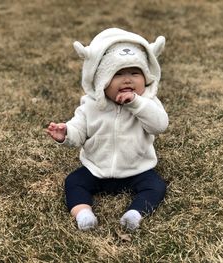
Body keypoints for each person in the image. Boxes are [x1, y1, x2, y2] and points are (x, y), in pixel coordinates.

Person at [46, 28, 169, 230]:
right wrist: (66, 133)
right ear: (101, 80)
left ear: (145, 78)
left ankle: (135, 213)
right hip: (97, 169)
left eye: (135, 73)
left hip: (137, 169)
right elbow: (79, 130)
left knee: (156, 187)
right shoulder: (91, 106)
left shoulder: (147, 103)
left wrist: (137, 104)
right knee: (73, 182)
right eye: (118, 74)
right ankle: (83, 213)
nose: (128, 79)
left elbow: (160, 125)